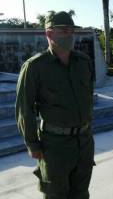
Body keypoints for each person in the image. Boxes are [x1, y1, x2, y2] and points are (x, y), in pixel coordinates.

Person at [15, 11, 95, 199]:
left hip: (83, 142)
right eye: (64, 31)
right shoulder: (35, 67)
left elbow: (88, 98)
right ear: (49, 34)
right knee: (55, 195)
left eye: (71, 31)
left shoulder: (83, 62)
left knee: (81, 194)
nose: (69, 35)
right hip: (55, 146)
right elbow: (24, 109)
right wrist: (32, 144)